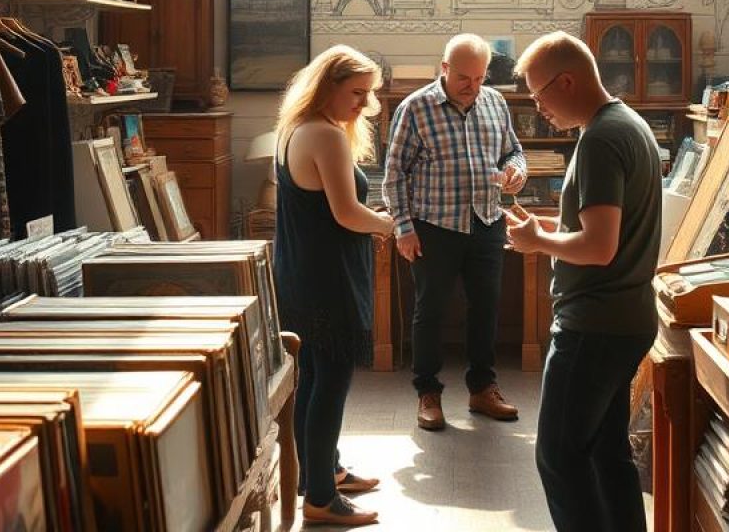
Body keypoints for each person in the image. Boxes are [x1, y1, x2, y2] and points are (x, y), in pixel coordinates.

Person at [506, 31, 661, 532]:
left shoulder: (598, 140)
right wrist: (545, 229)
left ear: (567, 81)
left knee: (558, 457)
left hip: (593, 325)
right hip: (627, 318)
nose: (538, 108)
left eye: (538, 95)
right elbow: (606, 230)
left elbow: (598, 247)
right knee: (604, 452)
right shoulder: (627, 123)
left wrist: (538, 244)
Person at [273, 45, 395, 527]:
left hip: (301, 270)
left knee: (315, 378)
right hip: (328, 277)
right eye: (357, 93)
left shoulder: (294, 129)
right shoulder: (325, 136)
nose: (364, 105)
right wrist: (391, 225)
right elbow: (347, 213)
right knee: (332, 381)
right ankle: (321, 499)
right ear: (328, 87)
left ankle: (319, 473)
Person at [383, 33, 527, 431]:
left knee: (486, 308)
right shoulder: (415, 108)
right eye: (465, 77)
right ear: (444, 68)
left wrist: (518, 172)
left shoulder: (495, 102)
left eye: (480, 78)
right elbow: (394, 175)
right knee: (429, 311)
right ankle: (427, 392)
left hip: (487, 221)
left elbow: (513, 151)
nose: (473, 86)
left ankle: (483, 389)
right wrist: (404, 229)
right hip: (434, 227)